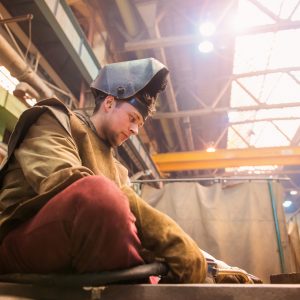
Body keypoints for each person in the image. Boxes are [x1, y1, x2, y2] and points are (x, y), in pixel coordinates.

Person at [0, 57, 261, 283]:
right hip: (21, 243)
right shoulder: (54, 121)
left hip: (78, 247)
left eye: (140, 123)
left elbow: (131, 225)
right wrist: (172, 242)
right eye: (133, 118)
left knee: (133, 225)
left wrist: (208, 266)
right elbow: (66, 184)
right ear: (110, 103)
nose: (136, 130)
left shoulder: (117, 170)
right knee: (99, 195)